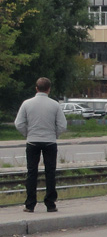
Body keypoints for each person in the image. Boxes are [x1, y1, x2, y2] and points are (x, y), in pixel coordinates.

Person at [14, 77, 68, 213]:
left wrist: (28, 133)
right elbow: (62, 125)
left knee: (32, 173)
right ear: (49, 89)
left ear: (36, 88)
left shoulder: (27, 104)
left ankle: (30, 204)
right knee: (50, 173)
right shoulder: (55, 105)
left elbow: (18, 123)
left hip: (32, 142)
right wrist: (54, 134)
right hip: (50, 142)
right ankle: (50, 204)